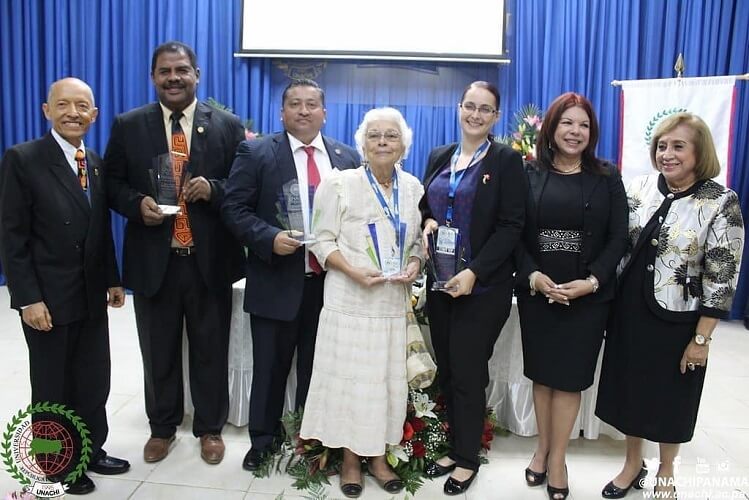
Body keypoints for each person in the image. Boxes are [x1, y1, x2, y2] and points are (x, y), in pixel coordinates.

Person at [104, 41, 245, 465]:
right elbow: (111, 184)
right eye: (164, 71)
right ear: (153, 77)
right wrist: (135, 205)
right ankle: (161, 428)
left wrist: (215, 189)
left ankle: (209, 429)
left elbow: (242, 185)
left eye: (181, 70)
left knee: (210, 348)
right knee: (158, 349)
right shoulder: (130, 126)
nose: (173, 78)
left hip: (208, 262)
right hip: (155, 260)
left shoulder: (227, 125)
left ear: (197, 75)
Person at [596, 113, 744, 500]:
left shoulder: (720, 201)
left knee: (670, 398)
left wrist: (702, 339)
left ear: (699, 151)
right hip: (629, 310)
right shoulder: (639, 188)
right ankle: (632, 465)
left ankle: (665, 471)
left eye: (678, 146)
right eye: (662, 146)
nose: (667, 154)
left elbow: (722, 276)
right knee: (630, 392)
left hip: (679, 318)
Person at [221, 79, 359, 471]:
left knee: (319, 369)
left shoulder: (345, 158)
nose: (303, 110)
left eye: (311, 104)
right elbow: (233, 208)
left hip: (331, 288)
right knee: (270, 369)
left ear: (324, 113)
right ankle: (263, 441)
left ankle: (311, 441)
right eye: (294, 104)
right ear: (282, 113)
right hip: (277, 281)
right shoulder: (257, 151)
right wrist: (268, 237)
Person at [0, 78, 130, 494]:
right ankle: (54, 463)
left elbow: (100, 229)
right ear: (46, 110)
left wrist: (112, 279)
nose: (73, 112)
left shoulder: (92, 160)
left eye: (82, 106)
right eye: (64, 104)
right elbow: (12, 235)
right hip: (48, 298)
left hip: (90, 292)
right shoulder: (23, 159)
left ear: (94, 114)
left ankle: (91, 450)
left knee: (93, 379)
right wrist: (28, 299)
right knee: (53, 384)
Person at [298, 107, 422, 498]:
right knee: (353, 384)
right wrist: (352, 270)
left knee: (384, 383)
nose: (383, 142)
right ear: (362, 144)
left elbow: (417, 244)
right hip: (348, 301)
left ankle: (379, 457)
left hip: (389, 304)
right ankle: (351, 460)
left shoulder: (415, 188)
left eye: (390, 136)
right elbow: (321, 240)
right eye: (374, 136)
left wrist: (415, 264)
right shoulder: (340, 184)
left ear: (404, 144)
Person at [513, 92, 628, 500]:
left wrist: (593, 281)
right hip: (538, 292)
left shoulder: (606, 176)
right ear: (552, 127)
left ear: (591, 131)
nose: (575, 131)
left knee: (569, 381)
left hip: (588, 296)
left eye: (583, 124)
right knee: (543, 378)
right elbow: (515, 232)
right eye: (567, 123)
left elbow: (618, 237)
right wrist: (532, 275)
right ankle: (541, 450)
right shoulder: (528, 172)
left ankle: (558, 458)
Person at [419, 81, 527, 495]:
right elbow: (428, 204)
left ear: (496, 116)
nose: (476, 115)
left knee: (467, 371)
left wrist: (475, 272)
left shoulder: (505, 161)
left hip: (482, 289)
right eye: (470, 106)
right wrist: (428, 219)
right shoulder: (440, 155)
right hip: (441, 282)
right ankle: (454, 444)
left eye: (485, 109)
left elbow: (512, 225)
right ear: (459, 108)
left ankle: (467, 458)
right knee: (447, 367)